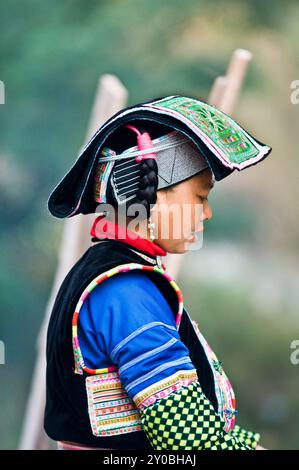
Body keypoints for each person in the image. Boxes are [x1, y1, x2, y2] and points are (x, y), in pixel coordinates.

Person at [44, 95, 271, 450]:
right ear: (151, 195)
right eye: (200, 197)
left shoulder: (114, 275)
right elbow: (189, 439)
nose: (207, 213)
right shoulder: (124, 290)